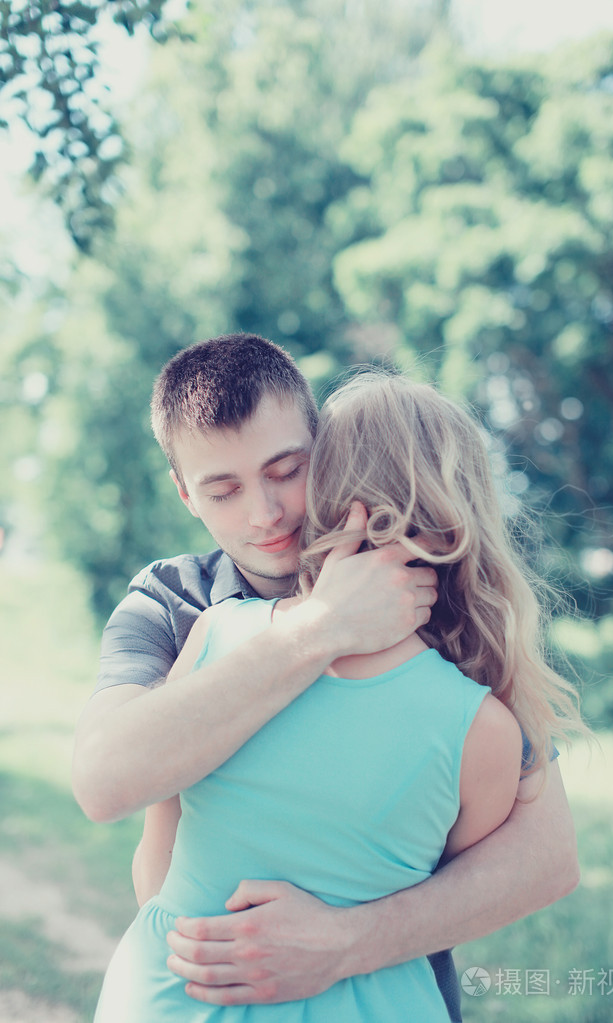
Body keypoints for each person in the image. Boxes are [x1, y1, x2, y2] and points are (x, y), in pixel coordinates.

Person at [73, 334, 580, 1021]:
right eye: (222, 489)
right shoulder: (176, 601)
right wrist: (320, 630)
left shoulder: (456, 620)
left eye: (288, 469)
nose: (266, 513)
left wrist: (344, 943)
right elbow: (105, 782)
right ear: (185, 493)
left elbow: (547, 856)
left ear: (328, 448)